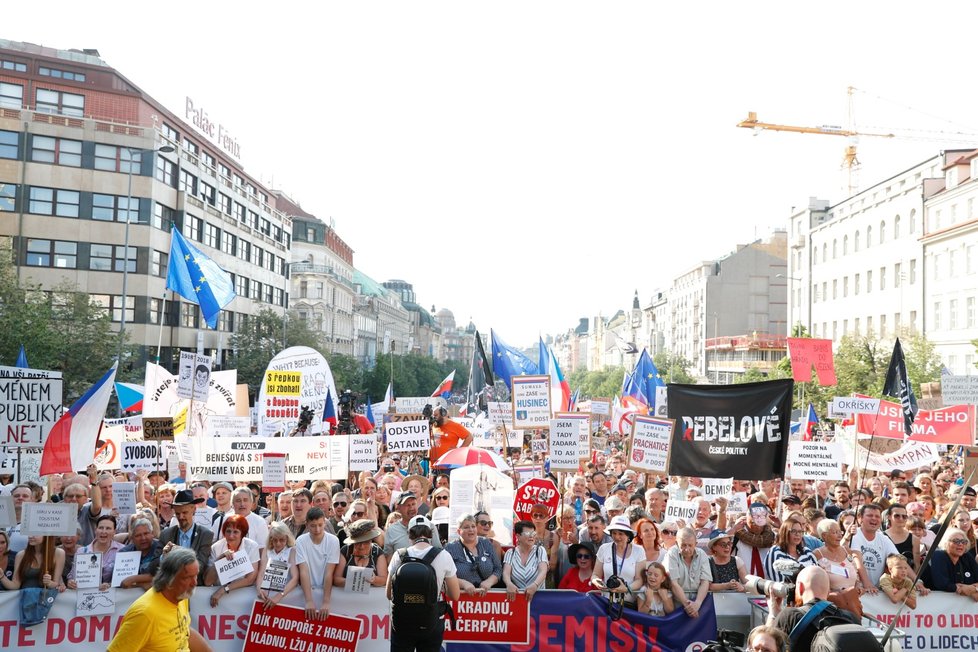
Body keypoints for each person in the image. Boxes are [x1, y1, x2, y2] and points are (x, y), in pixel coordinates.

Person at [107, 547, 212, 652]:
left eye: (195, 576)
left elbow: (184, 632)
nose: (194, 583)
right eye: (187, 578)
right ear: (169, 579)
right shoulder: (145, 614)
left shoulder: (181, 596)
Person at [765, 565, 859, 652]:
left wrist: (773, 615)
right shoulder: (851, 619)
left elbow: (765, 645)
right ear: (828, 591)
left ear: (800, 587)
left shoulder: (790, 616)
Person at [160, 489, 214, 585]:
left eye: (184, 512)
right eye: (177, 513)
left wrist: (180, 553)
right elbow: (154, 566)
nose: (181, 517)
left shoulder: (206, 535)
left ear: (194, 509)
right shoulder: (165, 534)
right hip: (172, 587)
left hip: (195, 589)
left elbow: (200, 566)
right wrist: (164, 556)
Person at [205, 514, 260, 606]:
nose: (231, 536)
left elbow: (250, 579)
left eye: (235, 532)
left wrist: (224, 589)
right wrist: (219, 560)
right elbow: (208, 582)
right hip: (219, 599)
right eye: (228, 531)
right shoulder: (216, 547)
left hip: (242, 597)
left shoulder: (251, 546)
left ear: (242, 533)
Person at [591, 515, 645, 607]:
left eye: (621, 534)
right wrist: (596, 581)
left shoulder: (639, 551)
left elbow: (640, 579)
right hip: (607, 602)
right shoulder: (604, 549)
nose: (617, 537)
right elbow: (595, 574)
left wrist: (626, 588)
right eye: (614, 533)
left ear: (628, 535)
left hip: (628, 604)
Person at [295, 507, 339, 620]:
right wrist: (309, 600)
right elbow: (303, 571)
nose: (317, 529)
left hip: (326, 589)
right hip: (306, 590)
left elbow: (329, 573)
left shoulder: (333, 541)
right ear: (307, 524)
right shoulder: (300, 541)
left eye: (320, 525)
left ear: (325, 522)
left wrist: (326, 601)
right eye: (313, 525)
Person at [444, 513, 501, 596]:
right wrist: (463, 583)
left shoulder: (486, 543)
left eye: (473, 526)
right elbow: (444, 575)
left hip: (488, 598)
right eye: (466, 527)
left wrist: (489, 581)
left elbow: (498, 569)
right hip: (461, 599)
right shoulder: (450, 548)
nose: (471, 530)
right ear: (459, 531)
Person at [666, 526, 711, 619]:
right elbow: (673, 583)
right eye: (683, 545)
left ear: (696, 544)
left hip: (698, 606)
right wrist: (688, 606)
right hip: (676, 607)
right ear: (676, 543)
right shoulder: (671, 553)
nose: (687, 549)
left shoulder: (702, 554)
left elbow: (705, 581)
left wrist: (697, 603)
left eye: (690, 545)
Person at [67, 514, 122, 590]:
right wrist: (71, 582)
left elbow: (124, 578)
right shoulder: (82, 551)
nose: (103, 531)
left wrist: (109, 585)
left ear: (114, 532)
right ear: (95, 530)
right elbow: (72, 576)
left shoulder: (122, 550)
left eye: (108, 528)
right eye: (101, 528)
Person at [849, 502, 897, 588]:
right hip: (857, 589)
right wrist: (867, 584)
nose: (874, 518)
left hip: (876, 590)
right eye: (870, 515)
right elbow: (858, 561)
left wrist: (917, 581)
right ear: (860, 518)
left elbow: (898, 561)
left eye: (877, 516)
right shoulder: (855, 535)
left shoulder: (884, 539)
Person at [922, 526, 978, 599]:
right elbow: (941, 583)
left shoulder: (967, 556)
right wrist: (962, 589)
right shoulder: (938, 555)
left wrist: (973, 589)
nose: (960, 544)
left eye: (963, 542)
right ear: (946, 542)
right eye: (956, 541)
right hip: (936, 605)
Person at [255, 521, 300, 610]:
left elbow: (295, 578)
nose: (278, 543)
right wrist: (260, 589)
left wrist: (278, 596)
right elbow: (261, 573)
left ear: (287, 538)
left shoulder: (292, 551)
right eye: (275, 540)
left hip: (286, 596)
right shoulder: (266, 550)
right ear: (271, 539)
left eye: (282, 540)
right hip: (267, 595)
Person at [333, 518, 388, 589]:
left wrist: (374, 580)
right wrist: (351, 582)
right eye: (358, 543)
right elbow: (336, 579)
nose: (362, 547)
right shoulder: (346, 551)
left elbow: (384, 579)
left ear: (371, 540)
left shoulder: (377, 552)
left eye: (366, 542)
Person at [0, 534, 65, 592]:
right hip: (26, 600)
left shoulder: (59, 553)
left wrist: (50, 583)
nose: (30, 536)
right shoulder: (21, 555)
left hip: (46, 601)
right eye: (29, 533)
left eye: (35, 533)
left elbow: (56, 584)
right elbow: (15, 585)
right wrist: (2, 576)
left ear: (47, 535)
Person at [503, 520, 548, 601]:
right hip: (517, 600)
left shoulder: (540, 550)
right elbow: (506, 573)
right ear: (518, 536)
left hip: (539, 598)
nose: (531, 536)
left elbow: (543, 571)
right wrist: (509, 584)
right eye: (527, 533)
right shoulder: (510, 553)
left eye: (533, 533)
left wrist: (535, 585)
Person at [118, 517, 163, 590]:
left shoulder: (161, 547)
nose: (143, 538)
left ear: (152, 534)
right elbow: (121, 581)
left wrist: (134, 579)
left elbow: (164, 575)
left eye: (146, 533)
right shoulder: (124, 553)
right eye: (138, 535)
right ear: (132, 538)